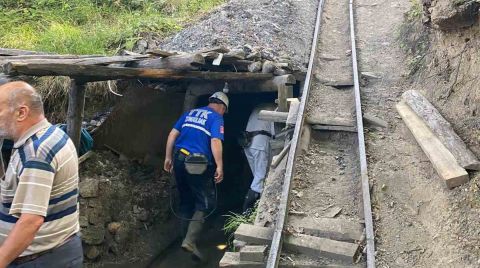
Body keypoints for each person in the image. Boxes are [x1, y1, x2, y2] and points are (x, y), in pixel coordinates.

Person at [0, 81, 82, 267]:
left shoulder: (37, 153)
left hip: (42, 260)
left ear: (21, 113)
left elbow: (30, 222)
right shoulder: (49, 135)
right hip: (58, 252)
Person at [164, 91, 228, 261]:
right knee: (206, 202)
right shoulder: (216, 118)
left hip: (178, 158)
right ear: (222, 107)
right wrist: (220, 165)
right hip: (196, 164)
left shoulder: (190, 113)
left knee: (186, 200)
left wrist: (168, 157)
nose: (223, 114)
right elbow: (215, 141)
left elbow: (172, 134)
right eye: (224, 111)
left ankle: (185, 240)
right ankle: (190, 241)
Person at [242, 104, 275, 212]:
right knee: (259, 178)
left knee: (257, 177)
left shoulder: (256, 108)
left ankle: (254, 206)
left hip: (247, 143)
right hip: (260, 144)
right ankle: (248, 209)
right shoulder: (274, 108)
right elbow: (275, 133)